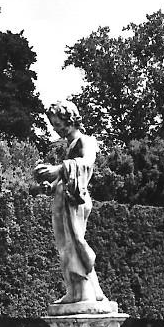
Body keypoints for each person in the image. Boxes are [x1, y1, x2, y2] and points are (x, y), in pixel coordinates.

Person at [33, 101, 106, 304]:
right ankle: (79, 290)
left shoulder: (85, 141)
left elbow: (86, 162)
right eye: (53, 125)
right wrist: (50, 185)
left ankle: (84, 291)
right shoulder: (70, 146)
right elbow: (65, 176)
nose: (55, 129)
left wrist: (58, 169)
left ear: (70, 119)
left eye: (57, 124)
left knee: (75, 244)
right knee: (66, 247)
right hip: (65, 199)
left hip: (76, 200)